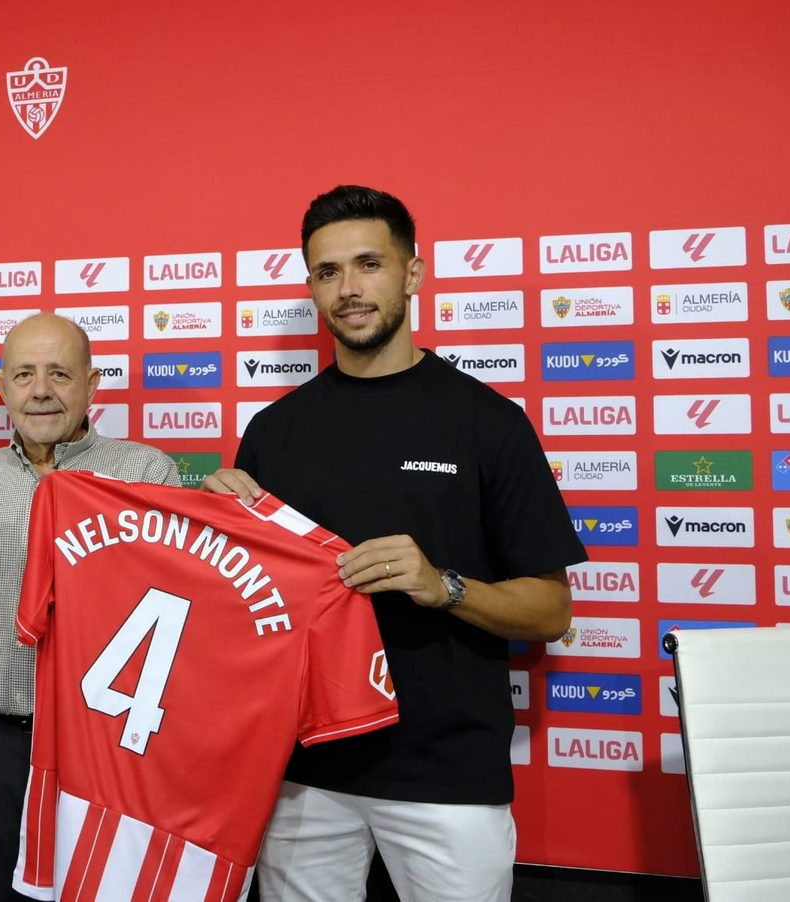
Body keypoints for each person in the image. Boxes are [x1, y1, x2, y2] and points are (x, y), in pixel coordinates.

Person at [202, 185, 587, 902]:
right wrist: (214, 530)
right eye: (327, 272)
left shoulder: (487, 423)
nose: (348, 289)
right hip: (302, 771)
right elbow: (237, 609)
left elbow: (551, 611)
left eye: (369, 264)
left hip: (445, 778)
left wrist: (446, 586)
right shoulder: (273, 433)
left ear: (412, 273)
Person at [0, 313, 182, 902]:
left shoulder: (148, 474)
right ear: (2, 388)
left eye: (60, 374)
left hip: (112, 747)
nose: (40, 390)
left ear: (92, 386)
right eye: (24, 374)